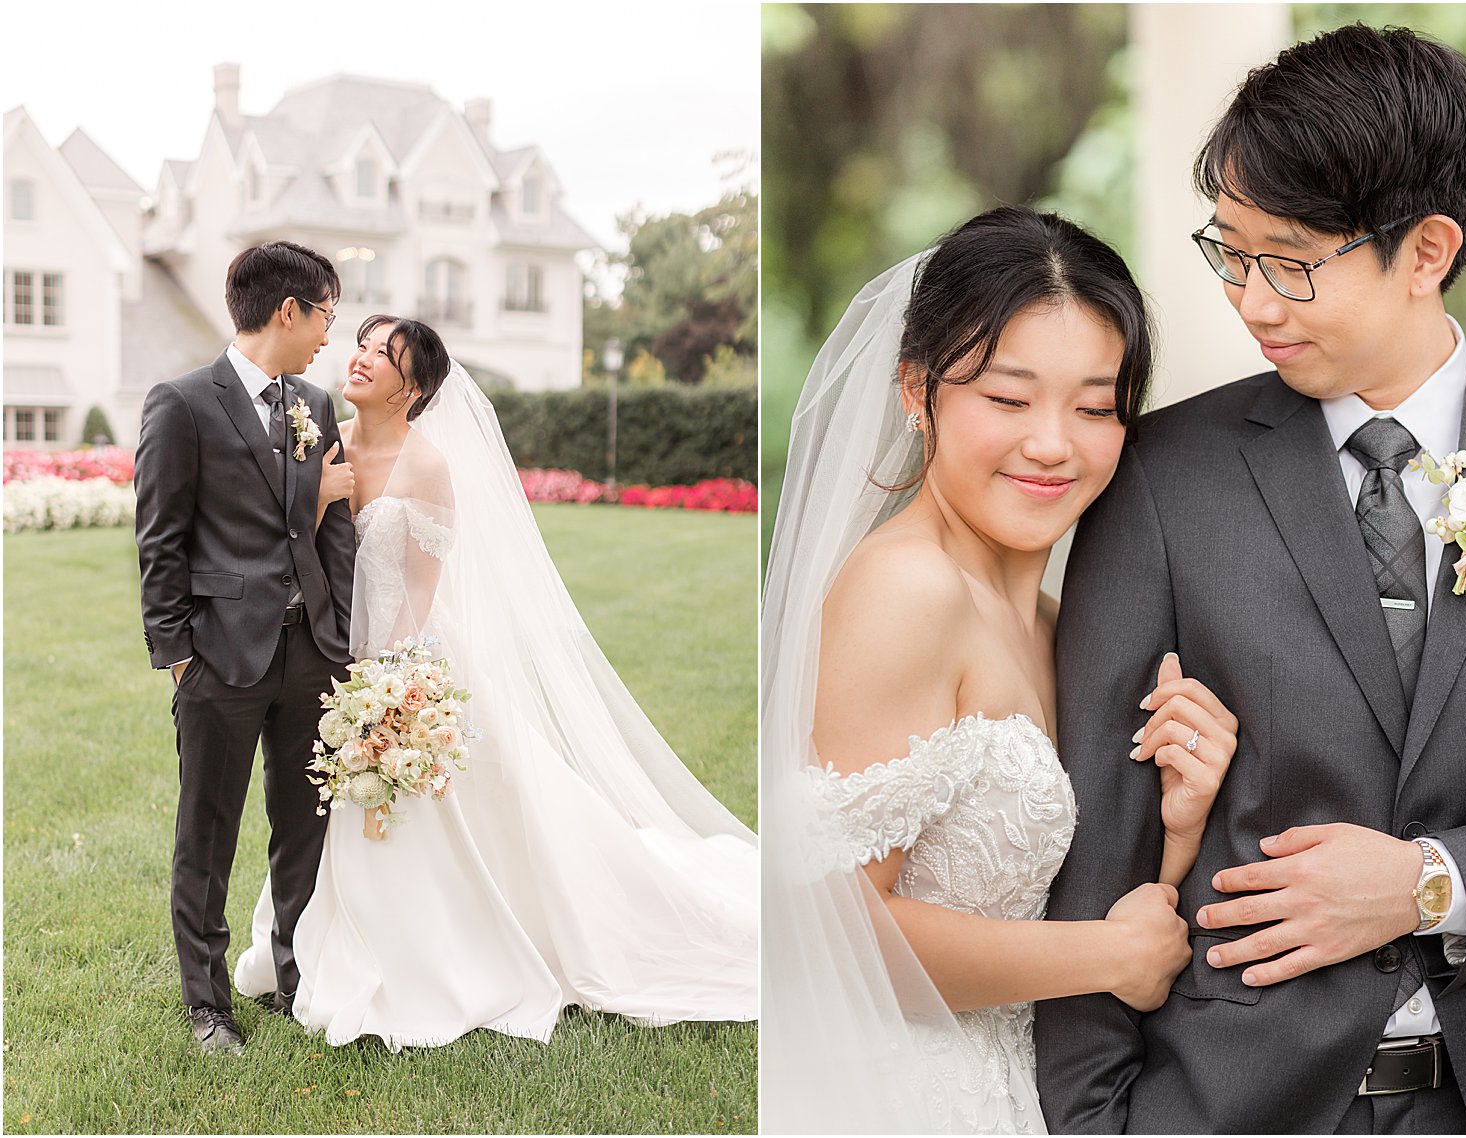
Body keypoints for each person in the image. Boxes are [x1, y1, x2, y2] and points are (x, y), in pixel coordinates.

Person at [1035, 24, 1466, 1135]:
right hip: (1228, 1105)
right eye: (1230, 251)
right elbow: (1093, 836)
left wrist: (1432, 881)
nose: (1249, 300)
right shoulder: (1159, 475)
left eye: (1290, 259)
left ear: (1426, 250)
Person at [761, 205, 1241, 1132]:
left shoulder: (1059, 623)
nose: (1054, 443)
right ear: (916, 390)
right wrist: (1103, 957)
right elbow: (834, 932)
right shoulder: (907, 593)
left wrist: (1180, 826)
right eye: (1009, 399)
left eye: (1096, 407)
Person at [233, 315, 758, 1048]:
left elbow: (420, 590)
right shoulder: (321, 443)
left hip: (406, 659)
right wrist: (317, 500)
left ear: (411, 388)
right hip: (325, 654)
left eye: (383, 356)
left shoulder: (427, 467)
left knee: (454, 802)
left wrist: (386, 686)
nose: (359, 359)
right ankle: (313, 941)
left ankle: (441, 954)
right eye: (361, 344)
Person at [135, 240, 355, 1054]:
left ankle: (293, 978)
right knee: (209, 830)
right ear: (287, 310)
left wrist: (338, 633)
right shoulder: (183, 403)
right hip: (219, 656)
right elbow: (160, 539)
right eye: (326, 315)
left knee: (305, 824)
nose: (329, 334)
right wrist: (178, 653)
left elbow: (331, 530)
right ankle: (207, 1006)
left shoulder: (316, 404)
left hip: (310, 655)